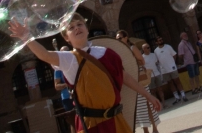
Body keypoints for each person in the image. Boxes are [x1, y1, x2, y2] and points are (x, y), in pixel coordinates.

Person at [9, 14, 161, 133]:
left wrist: (148, 95)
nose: (76, 28)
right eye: (71, 27)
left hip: (116, 120)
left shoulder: (107, 53)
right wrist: (26, 37)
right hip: (90, 123)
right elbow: (45, 55)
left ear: (87, 29)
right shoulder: (68, 59)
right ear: (66, 38)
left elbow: (125, 77)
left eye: (79, 24)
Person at [116, 31, 160, 133]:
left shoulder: (132, 48)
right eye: (117, 39)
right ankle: (145, 130)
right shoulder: (119, 50)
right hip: (130, 78)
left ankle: (154, 128)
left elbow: (142, 61)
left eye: (120, 38)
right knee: (139, 107)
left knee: (147, 103)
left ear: (126, 38)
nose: (118, 40)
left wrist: (131, 61)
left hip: (138, 77)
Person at [154, 36, 188, 104]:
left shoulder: (168, 47)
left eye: (161, 39)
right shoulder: (156, 50)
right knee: (170, 83)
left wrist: (172, 63)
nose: (161, 41)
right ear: (156, 42)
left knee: (177, 81)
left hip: (172, 67)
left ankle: (183, 95)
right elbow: (157, 60)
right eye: (159, 40)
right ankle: (176, 97)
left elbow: (174, 55)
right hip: (164, 70)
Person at [55, 46, 76, 133]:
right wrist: (67, 83)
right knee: (73, 121)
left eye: (67, 51)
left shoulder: (75, 62)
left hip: (78, 94)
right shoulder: (58, 68)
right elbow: (56, 86)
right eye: (63, 53)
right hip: (67, 97)